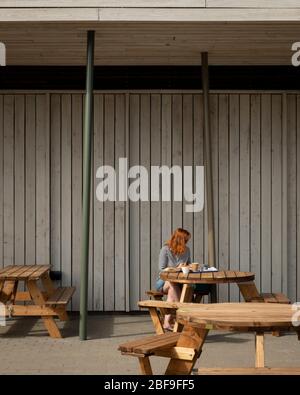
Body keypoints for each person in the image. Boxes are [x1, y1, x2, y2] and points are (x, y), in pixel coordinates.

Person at [156, 228, 191, 331]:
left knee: (173, 290)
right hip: (163, 282)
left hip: (179, 282)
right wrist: (176, 268)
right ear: (179, 240)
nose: (187, 242)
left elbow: (188, 265)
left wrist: (186, 266)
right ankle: (183, 312)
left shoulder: (187, 250)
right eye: (185, 240)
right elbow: (162, 270)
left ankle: (166, 322)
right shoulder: (165, 250)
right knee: (171, 283)